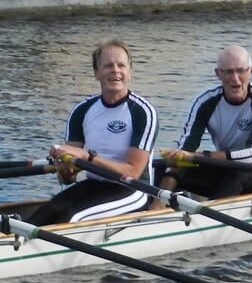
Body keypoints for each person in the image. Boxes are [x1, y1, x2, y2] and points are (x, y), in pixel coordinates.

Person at [25, 40, 158, 226]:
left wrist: (87, 157)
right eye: (108, 66)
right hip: (94, 185)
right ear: (96, 73)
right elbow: (68, 179)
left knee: (70, 218)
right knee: (47, 213)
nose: (115, 71)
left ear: (130, 73)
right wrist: (65, 168)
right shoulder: (82, 111)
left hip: (132, 190)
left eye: (121, 65)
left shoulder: (142, 112)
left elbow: (133, 172)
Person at [158, 45, 252, 199]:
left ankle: (207, 218)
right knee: (163, 167)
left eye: (241, 71)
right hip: (226, 170)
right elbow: (185, 148)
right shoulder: (204, 102)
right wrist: (177, 161)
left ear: (251, 72)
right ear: (218, 74)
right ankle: (155, 207)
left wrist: (198, 156)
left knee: (239, 173)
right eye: (229, 72)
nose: (235, 78)